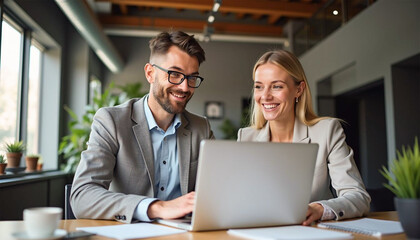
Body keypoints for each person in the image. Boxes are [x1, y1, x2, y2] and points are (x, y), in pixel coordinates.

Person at [70, 31, 214, 223]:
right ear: (150, 73)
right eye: (175, 74)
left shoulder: (201, 127)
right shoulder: (112, 121)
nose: (185, 87)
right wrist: (157, 207)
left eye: (192, 78)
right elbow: (82, 196)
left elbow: (218, 190)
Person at [237, 50, 371, 225]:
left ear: (298, 89)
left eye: (277, 86)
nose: (265, 96)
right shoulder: (246, 137)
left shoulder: (327, 131)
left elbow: (358, 196)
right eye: (259, 86)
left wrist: (319, 209)